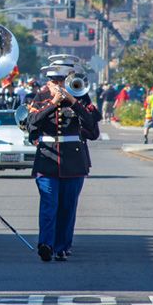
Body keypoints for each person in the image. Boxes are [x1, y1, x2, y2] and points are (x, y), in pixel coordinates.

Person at [27, 62, 100, 262]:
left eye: (61, 80)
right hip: (47, 159)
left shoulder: (80, 96)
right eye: (54, 81)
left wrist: (74, 102)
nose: (57, 84)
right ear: (48, 82)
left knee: (67, 207)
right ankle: (46, 244)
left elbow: (93, 128)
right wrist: (53, 103)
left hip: (74, 161)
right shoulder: (40, 98)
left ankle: (61, 246)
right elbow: (31, 124)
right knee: (49, 205)